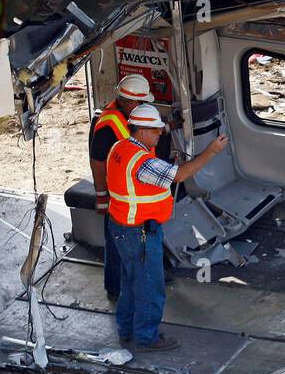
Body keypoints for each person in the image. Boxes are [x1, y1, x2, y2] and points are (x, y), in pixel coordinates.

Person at [105, 104, 229, 351]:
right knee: (150, 286)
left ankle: (127, 331)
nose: (160, 134)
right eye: (155, 131)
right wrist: (211, 151)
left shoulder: (121, 148)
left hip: (121, 226)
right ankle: (146, 338)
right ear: (140, 132)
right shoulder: (142, 163)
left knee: (131, 283)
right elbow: (179, 176)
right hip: (138, 232)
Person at [88, 74, 154, 301]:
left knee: (142, 237)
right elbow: (97, 161)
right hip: (118, 194)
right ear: (128, 102)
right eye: (141, 102)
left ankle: (144, 276)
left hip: (135, 190)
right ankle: (115, 287)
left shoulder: (128, 115)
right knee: (117, 242)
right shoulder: (109, 125)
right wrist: (101, 196)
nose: (144, 106)